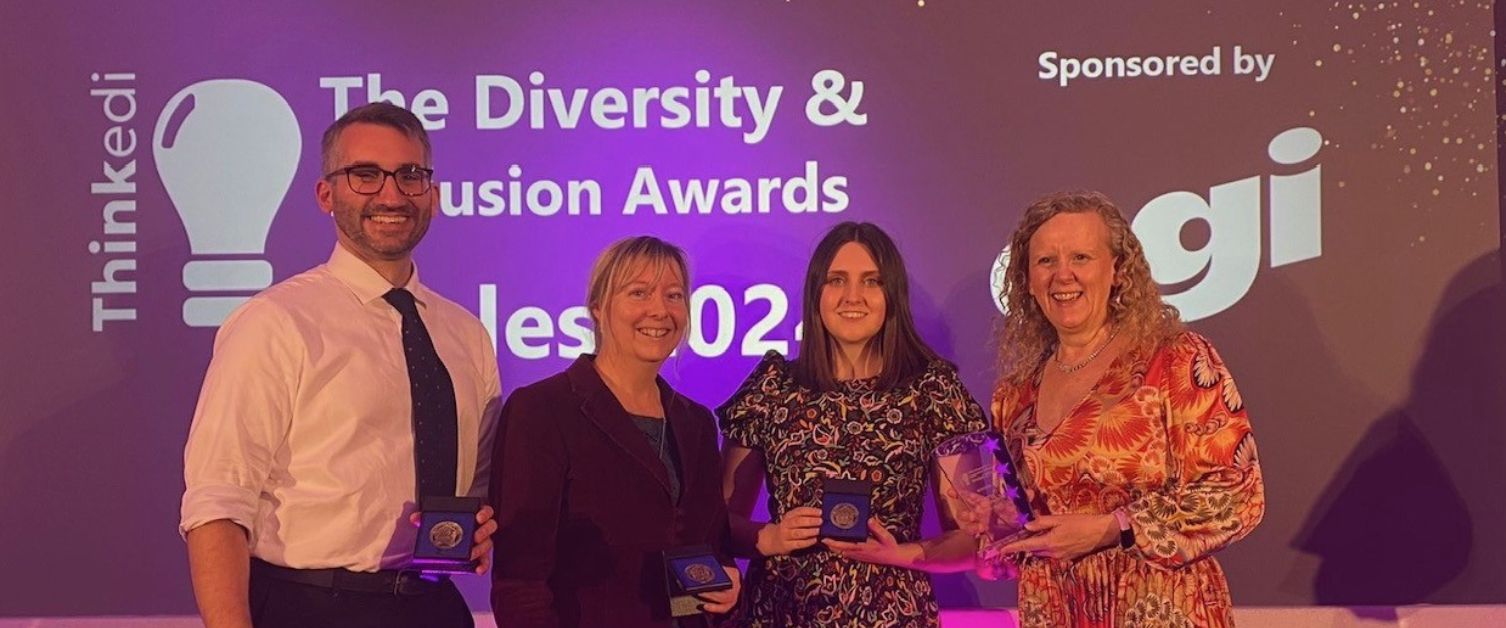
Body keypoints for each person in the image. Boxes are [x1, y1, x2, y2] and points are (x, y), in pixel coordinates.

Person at [179, 102, 502, 628]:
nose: (392, 194)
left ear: (433, 195)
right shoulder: (275, 322)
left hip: (436, 609)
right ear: (326, 194)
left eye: (410, 175)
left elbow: (477, 489)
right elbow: (218, 501)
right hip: (309, 606)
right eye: (366, 175)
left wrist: (479, 526)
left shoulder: (466, 334)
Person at [985, 191, 1264, 626]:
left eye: (1081, 257)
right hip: (1057, 609)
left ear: (1117, 270)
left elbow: (1237, 493)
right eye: (1045, 261)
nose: (1063, 275)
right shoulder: (1014, 395)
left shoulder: (1174, 359)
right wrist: (996, 525)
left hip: (1159, 607)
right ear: (1025, 279)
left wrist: (1113, 526)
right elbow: (1012, 545)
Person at [718, 222, 987, 627]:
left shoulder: (932, 390)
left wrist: (903, 553)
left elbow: (972, 537)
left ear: (891, 295)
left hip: (892, 614)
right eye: (837, 280)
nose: (853, 296)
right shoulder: (773, 388)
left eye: (872, 281)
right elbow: (718, 523)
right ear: (816, 294)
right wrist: (770, 537)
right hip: (783, 612)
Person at [489, 236, 739, 627]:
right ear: (598, 308)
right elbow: (520, 581)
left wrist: (727, 579)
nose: (659, 309)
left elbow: (709, 545)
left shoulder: (697, 422)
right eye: (638, 292)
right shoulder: (541, 410)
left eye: (674, 295)